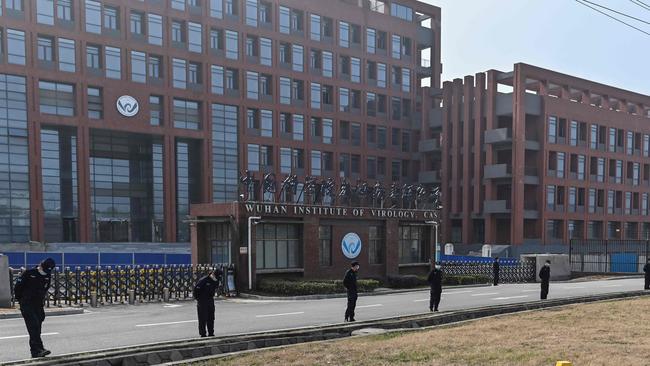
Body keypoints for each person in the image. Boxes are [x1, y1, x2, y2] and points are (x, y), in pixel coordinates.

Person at [13, 258, 56, 358]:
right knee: (33, 325)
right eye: (45, 270)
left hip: (38, 304)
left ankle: (36, 351)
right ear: (41, 265)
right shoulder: (29, 273)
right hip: (27, 304)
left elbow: (45, 288)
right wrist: (21, 300)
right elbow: (18, 287)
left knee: (38, 325)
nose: (46, 273)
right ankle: (38, 349)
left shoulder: (47, 275)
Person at [193, 269, 222, 337]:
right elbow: (196, 290)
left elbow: (216, 288)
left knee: (211, 317)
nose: (217, 279)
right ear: (213, 274)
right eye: (216, 277)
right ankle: (203, 334)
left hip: (210, 300)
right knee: (203, 318)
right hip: (202, 301)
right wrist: (198, 299)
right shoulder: (204, 280)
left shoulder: (216, 281)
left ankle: (211, 333)